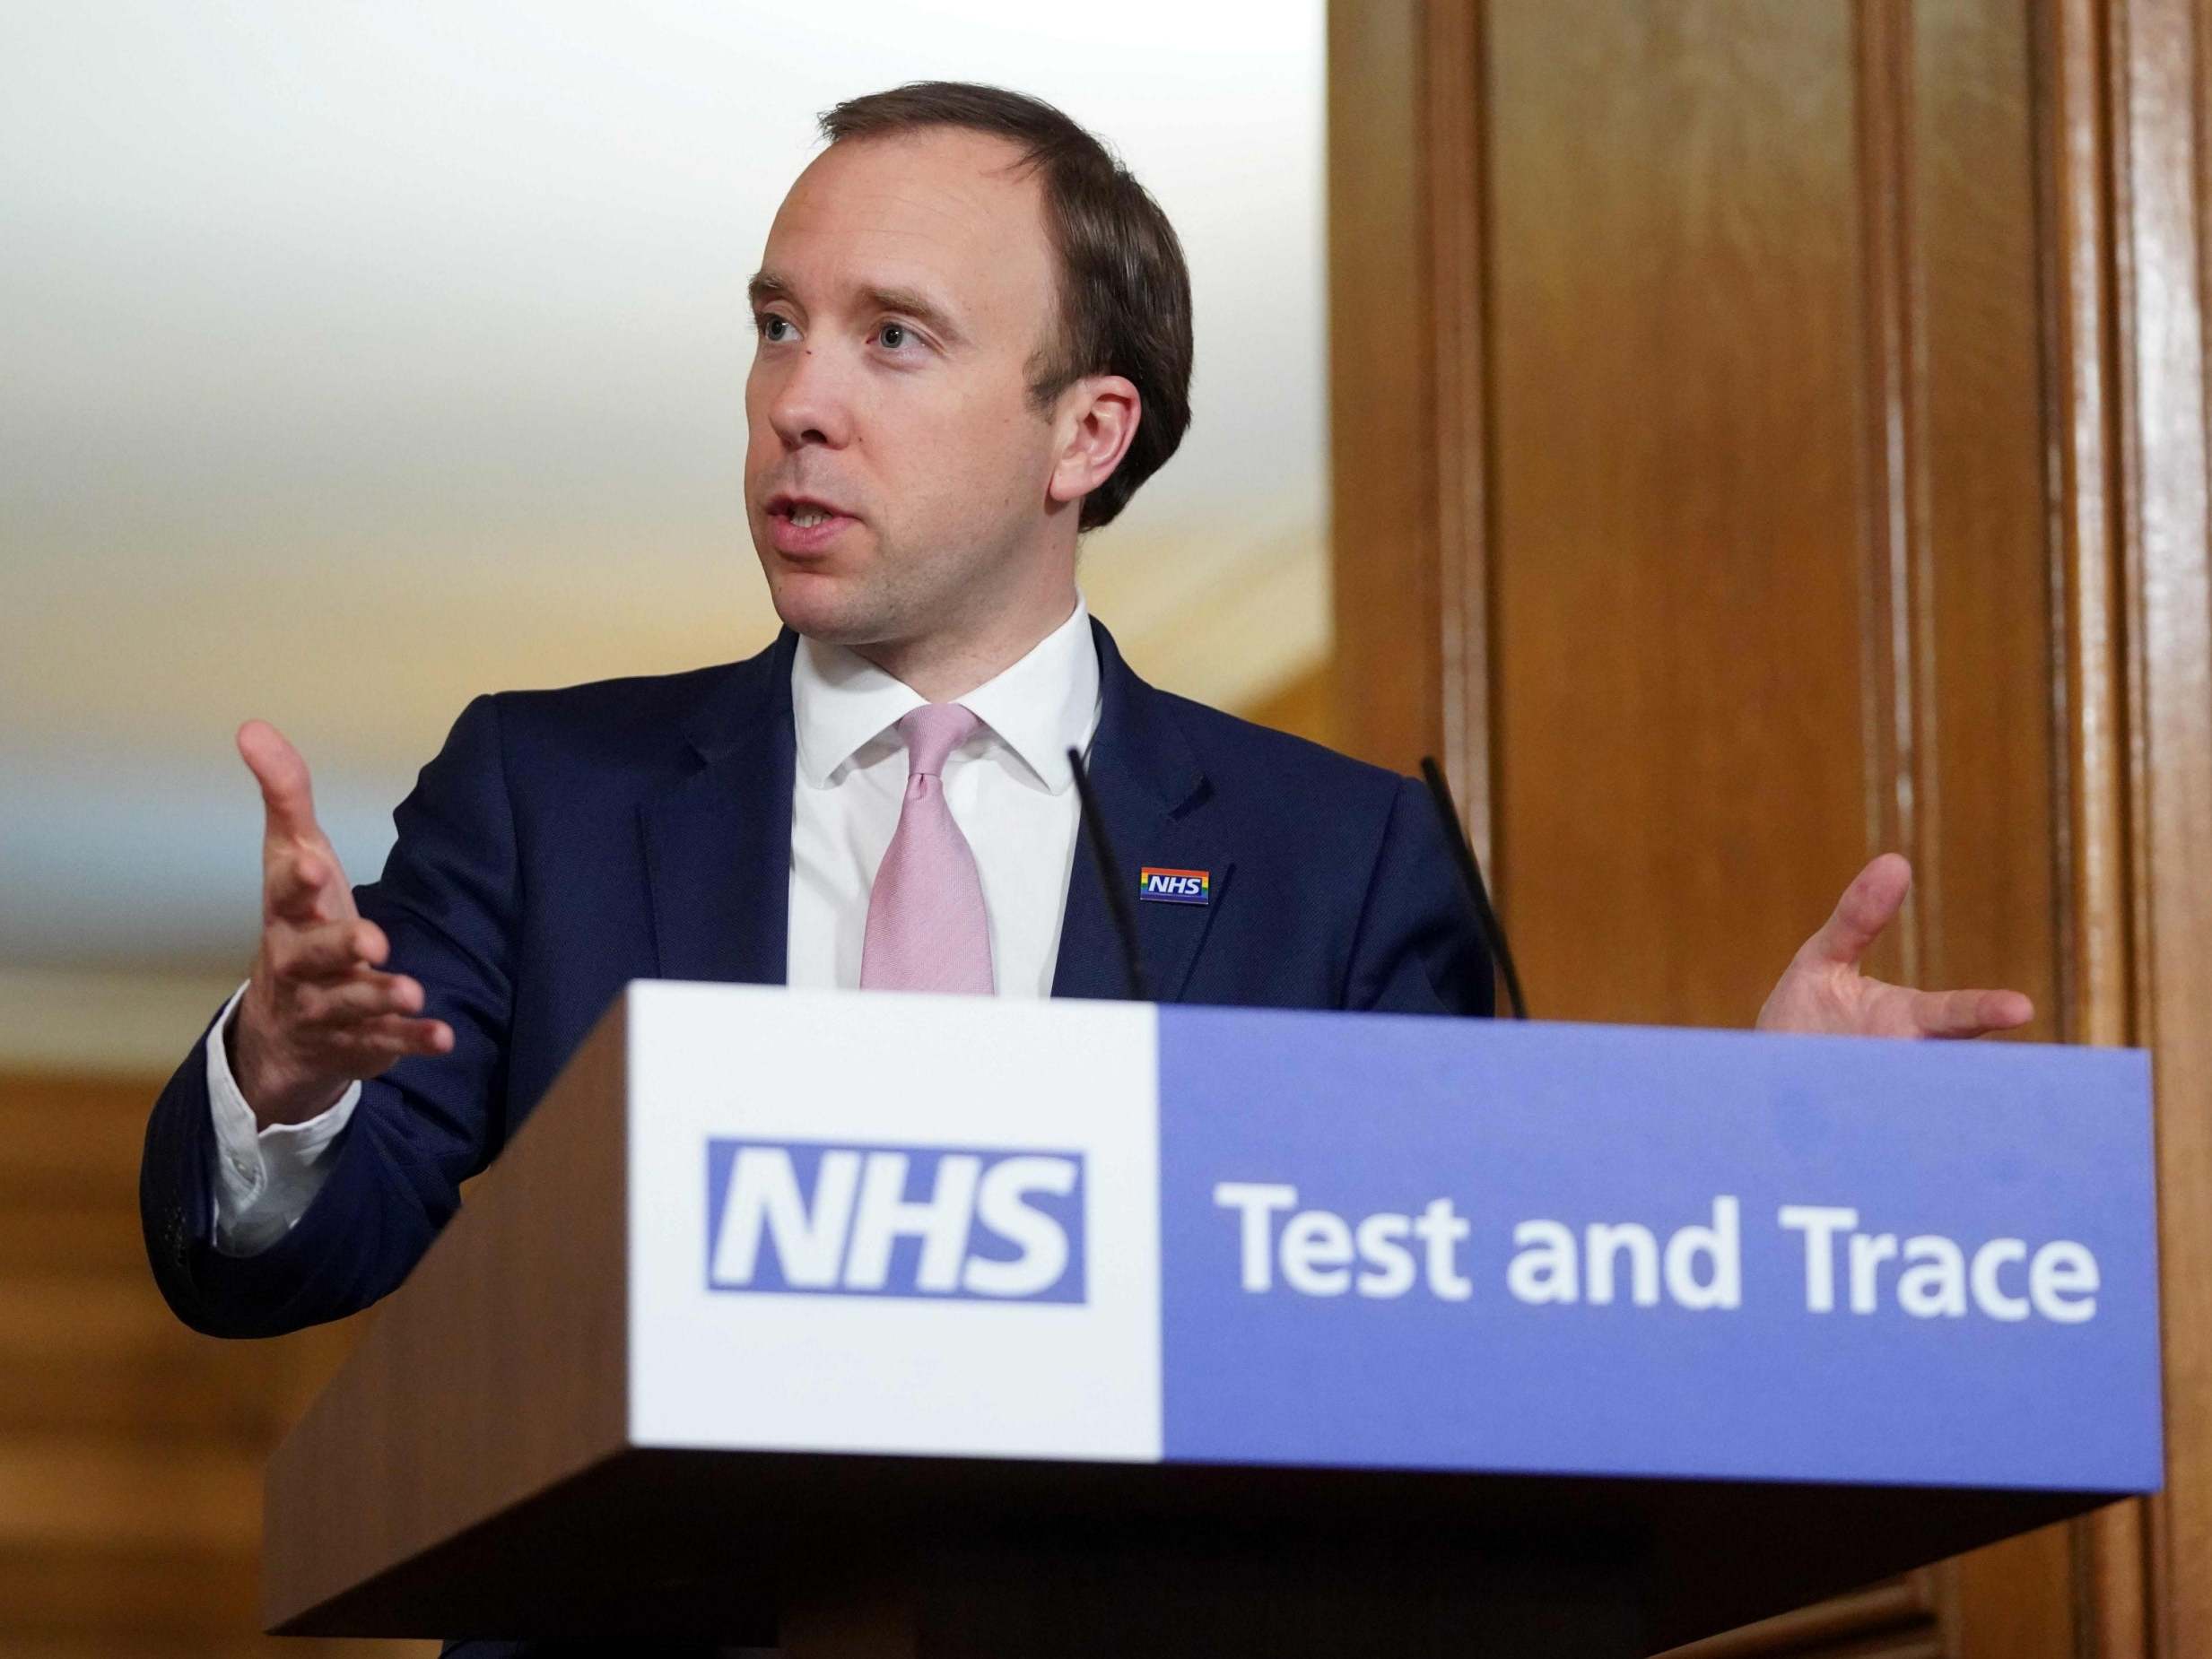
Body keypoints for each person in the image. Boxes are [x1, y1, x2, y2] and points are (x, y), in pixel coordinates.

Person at [143, 80, 2031, 1342]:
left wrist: (1762, 1148)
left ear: (1085, 429)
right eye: (776, 321)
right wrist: (287, 1086)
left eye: (893, 334)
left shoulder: (1336, 857)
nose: (799, 396)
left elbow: (1472, 1298)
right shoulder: (550, 789)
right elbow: (307, 1246)